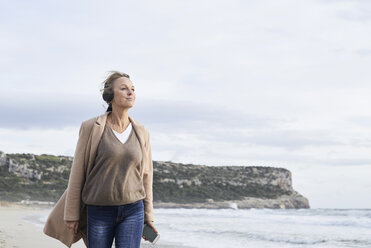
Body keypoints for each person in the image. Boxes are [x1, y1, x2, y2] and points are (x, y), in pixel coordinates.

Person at [47, 71, 158, 248]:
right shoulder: (91, 127)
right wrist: (72, 214)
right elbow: (78, 172)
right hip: (99, 210)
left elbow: (146, 176)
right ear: (110, 96)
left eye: (133, 89)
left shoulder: (142, 131)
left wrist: (148, 215)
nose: (130, 92)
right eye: (124, 89)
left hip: (133, 210)